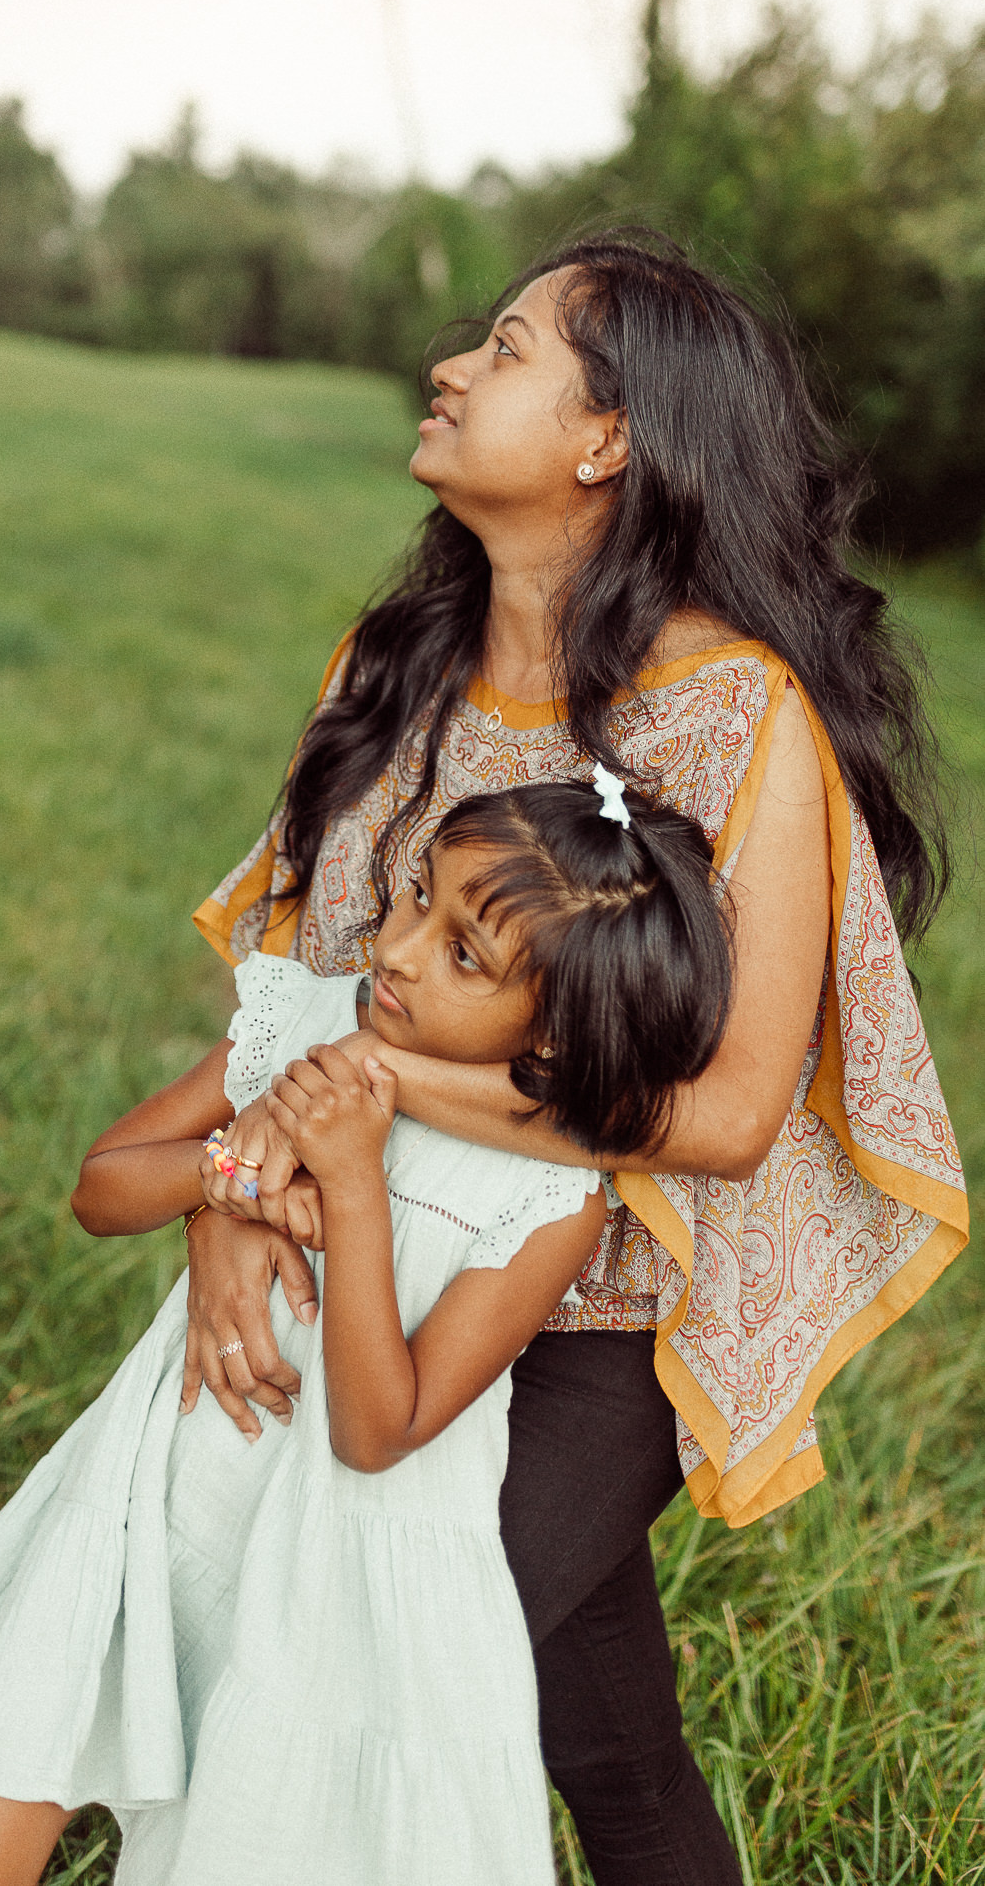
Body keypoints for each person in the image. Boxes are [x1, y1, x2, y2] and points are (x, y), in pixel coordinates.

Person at [184, 231, 968, 1886]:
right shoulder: (385, 672)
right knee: (602, 1731)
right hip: (383, 1260)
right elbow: (293, 993)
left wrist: (372, 1099)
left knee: (380, 1670)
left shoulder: (737, 713)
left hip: (602, 1307)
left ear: (610, 438)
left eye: (512, 347)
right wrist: (231, 1206)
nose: (455, 367)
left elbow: (740, 1111)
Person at [0, 775, 738, 1886]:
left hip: (325, 1568)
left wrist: (353, 1190)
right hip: (157, 1489)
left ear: (561, 1028)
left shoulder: (548, 1199)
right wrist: (223, 1180)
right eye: (415, 898)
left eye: (464, 955)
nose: (398, 950)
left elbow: (381, 1430)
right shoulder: (305, 1017)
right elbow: (100, 1190)